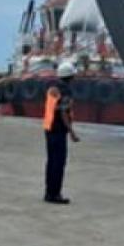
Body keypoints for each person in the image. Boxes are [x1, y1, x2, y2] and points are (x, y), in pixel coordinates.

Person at [42, 60, 80, 205]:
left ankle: (48, 192)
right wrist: (71, 132)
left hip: (49, 128)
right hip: (58, 129)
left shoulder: (52, 87)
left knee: (51, 161)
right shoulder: (66, 91)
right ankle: (55, 194)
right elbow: (63, 112)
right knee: (59, 162)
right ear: (70, 77)